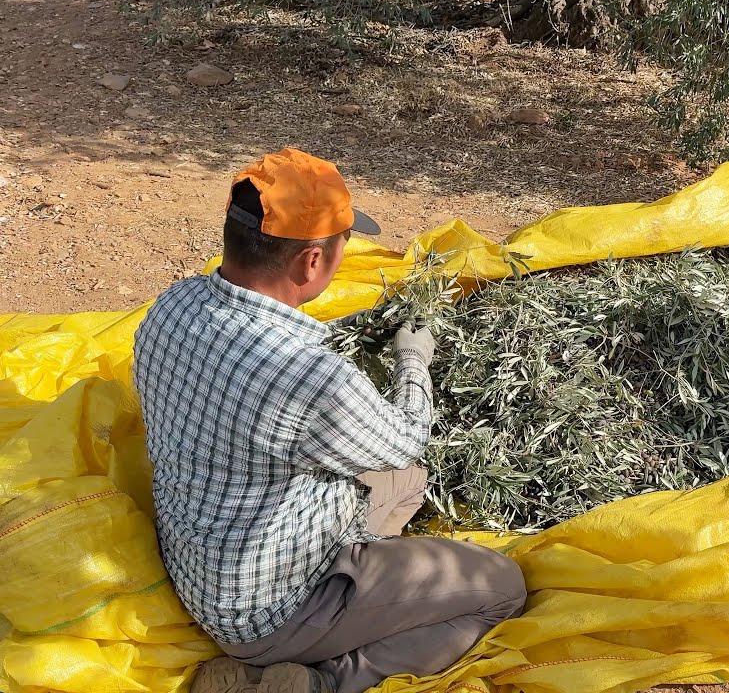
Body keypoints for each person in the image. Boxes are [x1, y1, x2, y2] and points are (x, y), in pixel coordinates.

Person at [133, 148, 526, 693]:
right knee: (502, 586)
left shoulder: (174, 305)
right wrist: (413, 359)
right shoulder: (307, 377)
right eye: (344, 243)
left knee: (395, 491)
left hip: (198, 568)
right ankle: (318, 681)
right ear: (311, 261)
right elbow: (405, 440)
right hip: (273, 608)